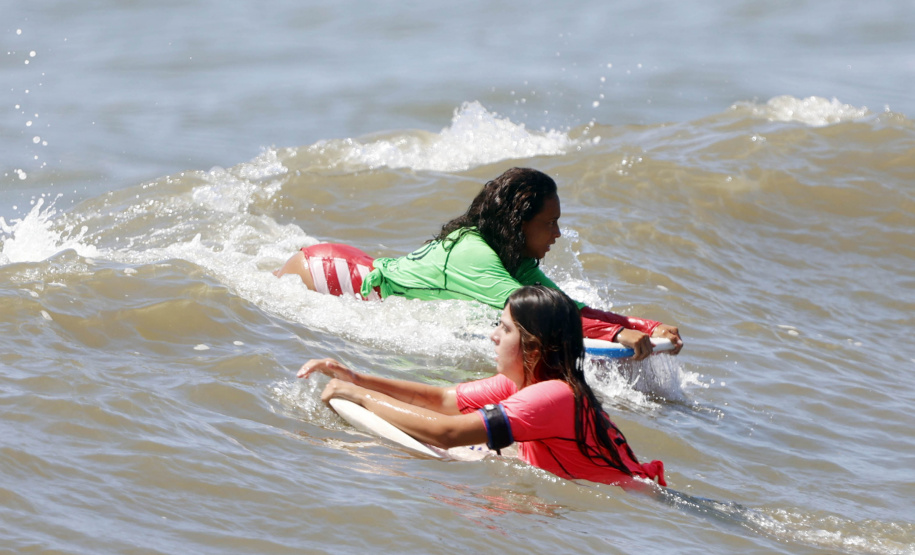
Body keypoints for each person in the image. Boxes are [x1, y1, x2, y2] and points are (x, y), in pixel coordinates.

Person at [276, 167, 682, 360]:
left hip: (358, 267)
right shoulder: (473, 254)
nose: (557, 234)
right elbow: (538, 316)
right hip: (327, 275)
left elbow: (568, 310)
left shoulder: (514, 256)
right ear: (518, 224)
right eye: (550, 223)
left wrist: (642, 326)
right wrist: (616, 337)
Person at [299, 285, 667, 488]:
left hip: (638, 501)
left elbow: (444, 433)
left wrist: (358, 397)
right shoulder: (524, 382)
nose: (493, 336)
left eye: (505, 329)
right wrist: (359, 379)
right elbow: (443, 401)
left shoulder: (550, 395)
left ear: (534, 347)